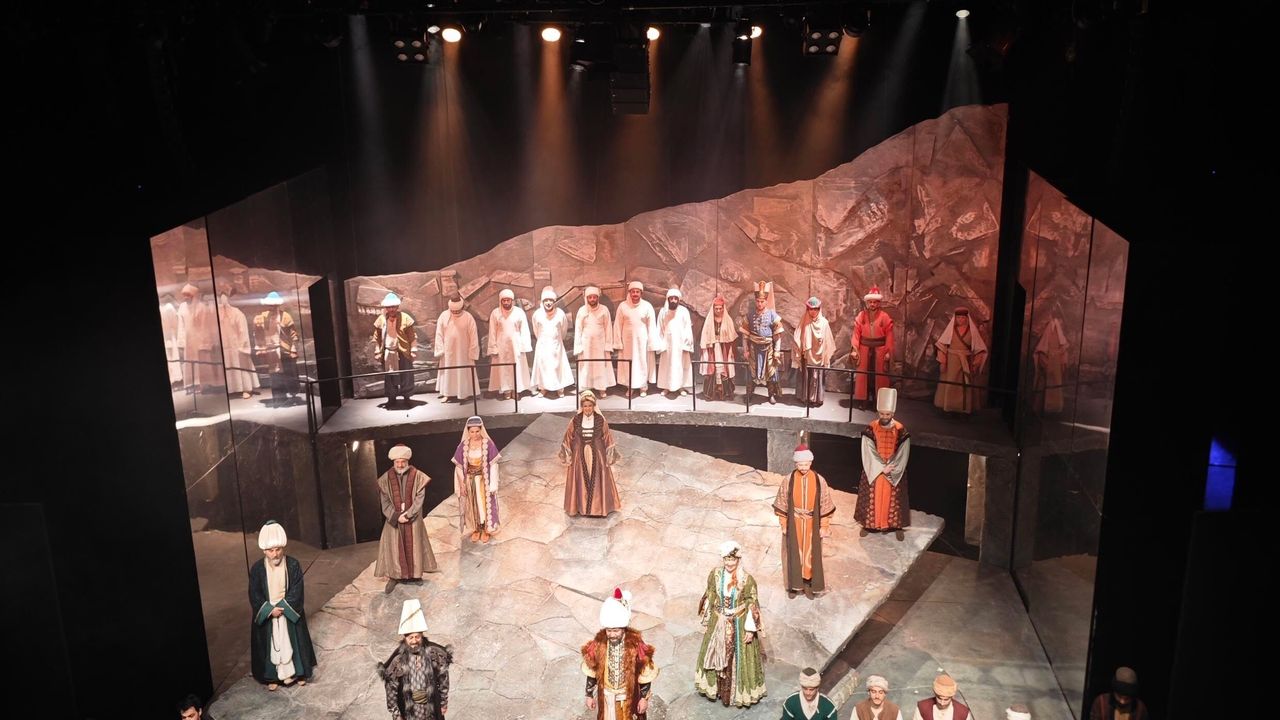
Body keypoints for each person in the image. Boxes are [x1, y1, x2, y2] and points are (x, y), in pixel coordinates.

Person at [694, 540, 766, 708]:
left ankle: (734, 693)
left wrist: (750, 629)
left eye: (732, 560)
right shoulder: (715, 574)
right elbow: (711, 592)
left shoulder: (747, 580)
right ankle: (716, 689)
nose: (729, 563)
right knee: (713, 652)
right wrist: (709, 616)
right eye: (726, 559)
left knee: (738, 657)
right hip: (718, 621)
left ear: (738, 560)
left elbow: (752, 602)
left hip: (738, 623)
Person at [248, 521, 316, 690]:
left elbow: (297, 590)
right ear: (264, 551)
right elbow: (254, 594)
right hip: (270, 612)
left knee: (291, 643)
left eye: (278, 549)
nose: (275, 554)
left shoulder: (293, 565)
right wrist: (269, 610)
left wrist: (283, 607)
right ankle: (272, 677)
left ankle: (298, 673)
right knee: (272, 645)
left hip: (286, 609)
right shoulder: (257, 569)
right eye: (271, 550)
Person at [581, 588, 659, 720]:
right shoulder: (599, 644)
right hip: (607, 698)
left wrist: (644, 698)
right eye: (609, 631)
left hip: (628, 697)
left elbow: (645, 673)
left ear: (623, 629)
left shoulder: (635, 644)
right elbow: (592, 672)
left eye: (616, 631)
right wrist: (589, 695)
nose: (612, 634)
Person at [773, 442, 836, 598]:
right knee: (794, 554)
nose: (803, 467)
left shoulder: (819, 480)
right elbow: (782, 503)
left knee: (811, 554)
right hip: (794, 522)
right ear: (796, 463)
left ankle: (809, 584)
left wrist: (824, 525)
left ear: (811, 462)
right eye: (800, 464)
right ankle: (795, 585)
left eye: (806, 464)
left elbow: (825, 504)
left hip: (811, 523)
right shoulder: (789, 480)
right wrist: (784, 523)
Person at [376, 444, 439, 594]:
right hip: (393, 520)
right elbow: (385, 502)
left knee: (415, 546)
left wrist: (408, 515)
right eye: (397, 462)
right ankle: (394, 576)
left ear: (407, 461)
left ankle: (415, 575)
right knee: (393, 547)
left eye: (403, 461)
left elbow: (419, 499)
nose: (400, 465)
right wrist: (397, 517)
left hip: (413, 518)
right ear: (393, 461)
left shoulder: (418, 476)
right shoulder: (385, 479)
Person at [379, 598, 451, 720]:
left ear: (422, 635)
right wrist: (396, 714)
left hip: (432, 706)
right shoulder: (398, 659)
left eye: (417, 637)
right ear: (405, 638)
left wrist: (443, 702)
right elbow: (391, 688)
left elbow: (443, 678)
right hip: (409, 709)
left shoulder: (434, 652)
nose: (414, 641)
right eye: (410, 637)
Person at [855, 388, 912, 541]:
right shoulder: (872, 427)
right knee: (872, 498)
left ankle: (895, 526)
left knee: (894, 500)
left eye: (887, 414)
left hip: (893, 470)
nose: (884, 417)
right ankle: (869, 525)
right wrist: (881, 467)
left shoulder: (900, 429)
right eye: (882, 414)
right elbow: (868, 448)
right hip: (876, 470)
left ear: (892, 413)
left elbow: (903, 451)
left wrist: (892, 467)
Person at [560, 391, 622, 517]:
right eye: (585, 406)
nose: (587, 408)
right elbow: (568, 437)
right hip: (579, 455)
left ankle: (597, 508)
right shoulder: (576, 420)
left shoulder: (600, 420)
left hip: (597, 455)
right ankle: (581, 507)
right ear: (582, 407)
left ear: (594, 406)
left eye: (590, 406)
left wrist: (609, 454)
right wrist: (567, 453)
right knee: (580, 480)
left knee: (598, 480)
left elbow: (607, 437)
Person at [452, 416, 501, 544]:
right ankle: (476, 528)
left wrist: (493, 484)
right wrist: (462, 484)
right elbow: (458, 466)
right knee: (472, 505)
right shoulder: (464, 446)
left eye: (477, 431)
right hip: (470, 480)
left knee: (483, 505)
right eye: (472, 432)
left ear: (481, 430)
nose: (475, 434)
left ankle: (485, 529)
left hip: (483, 481)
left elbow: (494, 464)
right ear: (468, 431)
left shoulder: (487, 444)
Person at [933, 308, 987, 414]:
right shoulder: (950, 331)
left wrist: (976, 363)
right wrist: (943, 361)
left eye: (963, 317)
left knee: (965, 384)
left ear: (967, 318)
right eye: (958, 317)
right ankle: (949, 407)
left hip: (966, 361)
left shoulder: (972, 332)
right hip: (952, 361)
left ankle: (964, 408)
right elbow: (942, 346)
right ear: (955, 318)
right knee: (950, 383)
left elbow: (979, 348)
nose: (961, 320)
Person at [740, 281, 784, 404]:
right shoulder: (749, 315)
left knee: (770, 371)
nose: (760, 303)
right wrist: (746, 350)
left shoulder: (772, 315)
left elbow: (778, 335)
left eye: (762, 301)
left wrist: (777, 351)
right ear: (755, 301)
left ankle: (771, 394)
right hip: (754, 348)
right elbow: (745, 336)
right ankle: (749, 393)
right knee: (751, 371)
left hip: (768, 348)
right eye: (758, 301)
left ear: (766, 301)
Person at [851, 285, 894, 408]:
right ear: (867, 303)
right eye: (870, 302)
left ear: (878, 303)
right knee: (864, 375)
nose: (872, 304)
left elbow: (890, 336)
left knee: (879, 376)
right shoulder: (861, 316)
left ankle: (878, 400)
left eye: (875, 302)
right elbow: (856, 334)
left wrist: (888, 352)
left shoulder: (885, 317)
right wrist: (855, 349)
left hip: (880, 350)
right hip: (864, 349)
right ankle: (863, 399)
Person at [255, 291, 300, 406]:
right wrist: (260, 348)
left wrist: (293, 349)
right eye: (270, 305)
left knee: (289, 373)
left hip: (284, 349)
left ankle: (293, 393)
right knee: (274, 375)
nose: (272, 307)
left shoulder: (285, 316)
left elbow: (293, 334)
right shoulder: (262, 317)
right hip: (272, 351)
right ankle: (279, 397)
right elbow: (258, 334)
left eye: (274, 305)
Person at [373, 292, 418, 406]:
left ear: (397, 307)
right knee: (389, 377)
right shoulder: (381, 319)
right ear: (386, 308)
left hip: (402, 351)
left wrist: (413, 350)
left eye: (393, 306)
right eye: (389, 307)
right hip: (388, 351)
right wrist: (377, 351)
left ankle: (407, 397)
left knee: (406, 375)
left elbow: (412, 336)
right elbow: (377, 337)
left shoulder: (405, 318)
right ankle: (391, 398)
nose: (391, 309)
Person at [614, 280, 656, 398]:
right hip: (627, 342)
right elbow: (617, 325)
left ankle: (643, 387)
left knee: (642, 362)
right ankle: (630, 386)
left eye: (637, 292)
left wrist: (652, 342)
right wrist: (618, 342)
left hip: (642, 341)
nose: (635, 294)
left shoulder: (647, 306)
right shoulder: (623, 306)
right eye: (633, 292)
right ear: (630, 293)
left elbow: (651, 325)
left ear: (641, 293)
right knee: (629, 363)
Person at [530, 286, 574, 398]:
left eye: (551, 300)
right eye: (546, 300)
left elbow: (563, 330)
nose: (548, 303)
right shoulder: (537, 314)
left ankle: (560, 388)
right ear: (542, 301)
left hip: (556, 345)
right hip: (543, 345)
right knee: (543, 366)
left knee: (557, 366)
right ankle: (543, 388)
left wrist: (556, 340)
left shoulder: (560, 314)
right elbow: (536, 330)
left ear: (554, 301)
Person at [487, 288, 532, 400]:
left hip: (516, 345)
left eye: (508, 300)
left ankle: (516, 389)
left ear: (512, 300)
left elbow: (524, 330)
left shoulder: (519, 312)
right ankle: (506, 390)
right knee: (503, 368)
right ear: (501, 301)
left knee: (517, 367)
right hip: (501, 345)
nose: (506, 302)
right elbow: (492, 331)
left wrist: (524, 345)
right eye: (504, 300)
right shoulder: (495, 313)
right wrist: (493, 347)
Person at [434, 294, 479, 403]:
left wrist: (472, 351)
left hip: (463, 351)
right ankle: (447, 393)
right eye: (453, 311)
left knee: (463, 371)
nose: (455, 313)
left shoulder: (468, 317)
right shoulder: (444, 316)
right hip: (448, 351)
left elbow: (473, 336)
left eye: (457, 311)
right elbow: (439, 334)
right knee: (448, 371)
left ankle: (464, 393)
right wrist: (440, 349)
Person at [574, 285, 617, 397]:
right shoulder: (582, 311)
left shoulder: (604, 309)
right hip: (586, 344)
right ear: (586, 298)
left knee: (600, 365)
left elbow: (608, 328)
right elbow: (578, 329)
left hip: (600, 343)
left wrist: (608, 345)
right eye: (590, 297)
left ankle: (601, 388)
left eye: (594, 297)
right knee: (586, 365)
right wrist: (578, 346)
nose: (592, 299)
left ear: (598, 297)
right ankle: (586, 387)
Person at [178, 282, 221, 393]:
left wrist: (204, 342)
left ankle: (202, 385)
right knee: (189, 362)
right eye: (184, 295)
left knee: (201, 363)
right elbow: (181, 325)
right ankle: (190, 384)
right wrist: (181, 341)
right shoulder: (182, 307)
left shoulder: (201, 307)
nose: (185, 297)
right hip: (188, 340)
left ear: (193, 295)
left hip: (199, 340)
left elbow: (205, 326)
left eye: (188, 295)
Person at [794, 296, 836, 407]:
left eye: (815, 309)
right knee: (807, 375)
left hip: (819, 354)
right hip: (807, 355)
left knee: (817, 376)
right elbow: (798, 335)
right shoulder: (804, 321)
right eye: (810, 309)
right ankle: (805, 396)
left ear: (819, 309)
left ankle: (816, 398)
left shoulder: (824, 323)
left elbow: (828, 341)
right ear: (807, 309)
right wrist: (801, 346)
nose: (813, 311)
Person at [654, 287, 695, 397]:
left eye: (675, 298)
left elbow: (687, 328)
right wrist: (661, 343)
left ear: (678, 300)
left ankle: (680, 386)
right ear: (668, 299)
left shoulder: (684, 311)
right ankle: (666, 386)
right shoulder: (663, 312)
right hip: (667, 345)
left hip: (680, 345)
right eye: (671, 298)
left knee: (679, 365)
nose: (673, 300)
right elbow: (659, 328)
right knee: (667, 366)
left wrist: (687, 343)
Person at [219, 290, 259, 399]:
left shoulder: (237, 313)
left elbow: (243, 331)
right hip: (225, 345)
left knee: (242, 366)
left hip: (237, 345)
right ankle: (232, 388)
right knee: (229, 366)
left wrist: (242, 345)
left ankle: (246, 388)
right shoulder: (218, 314)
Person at [699, 295, 738, 400]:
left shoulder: (728, 320)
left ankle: (724, 392)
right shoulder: (709, 321)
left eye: (720, 308)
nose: (718, 310)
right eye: (716, 308)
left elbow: (732, 337)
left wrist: (731, 350)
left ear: (723, 308)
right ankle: (712, 392)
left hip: (724, 348)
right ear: (713, 308)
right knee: (713, 369)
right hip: (712, 348)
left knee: (725, 369)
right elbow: (705, 336)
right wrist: (705, 349)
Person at [1033, 315, 1069, 415]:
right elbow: (1042, 351)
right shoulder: (1048, 334)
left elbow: (1063, 351)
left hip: (1055, 368)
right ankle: (1038, 409)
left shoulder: (1060, 342)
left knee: (1055, 387)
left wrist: (1060, 362)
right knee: (1042, 388)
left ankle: (1052, 409)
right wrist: (1046, 365)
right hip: (1047, 367)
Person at [160, 294, 183, 386]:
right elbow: (174, 322)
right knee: (173, 356)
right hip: (170, 334)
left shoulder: (163, 308)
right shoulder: (169, 307)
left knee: (170, 357)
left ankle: (173, 378)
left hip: (167, 334)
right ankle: (175, 378)